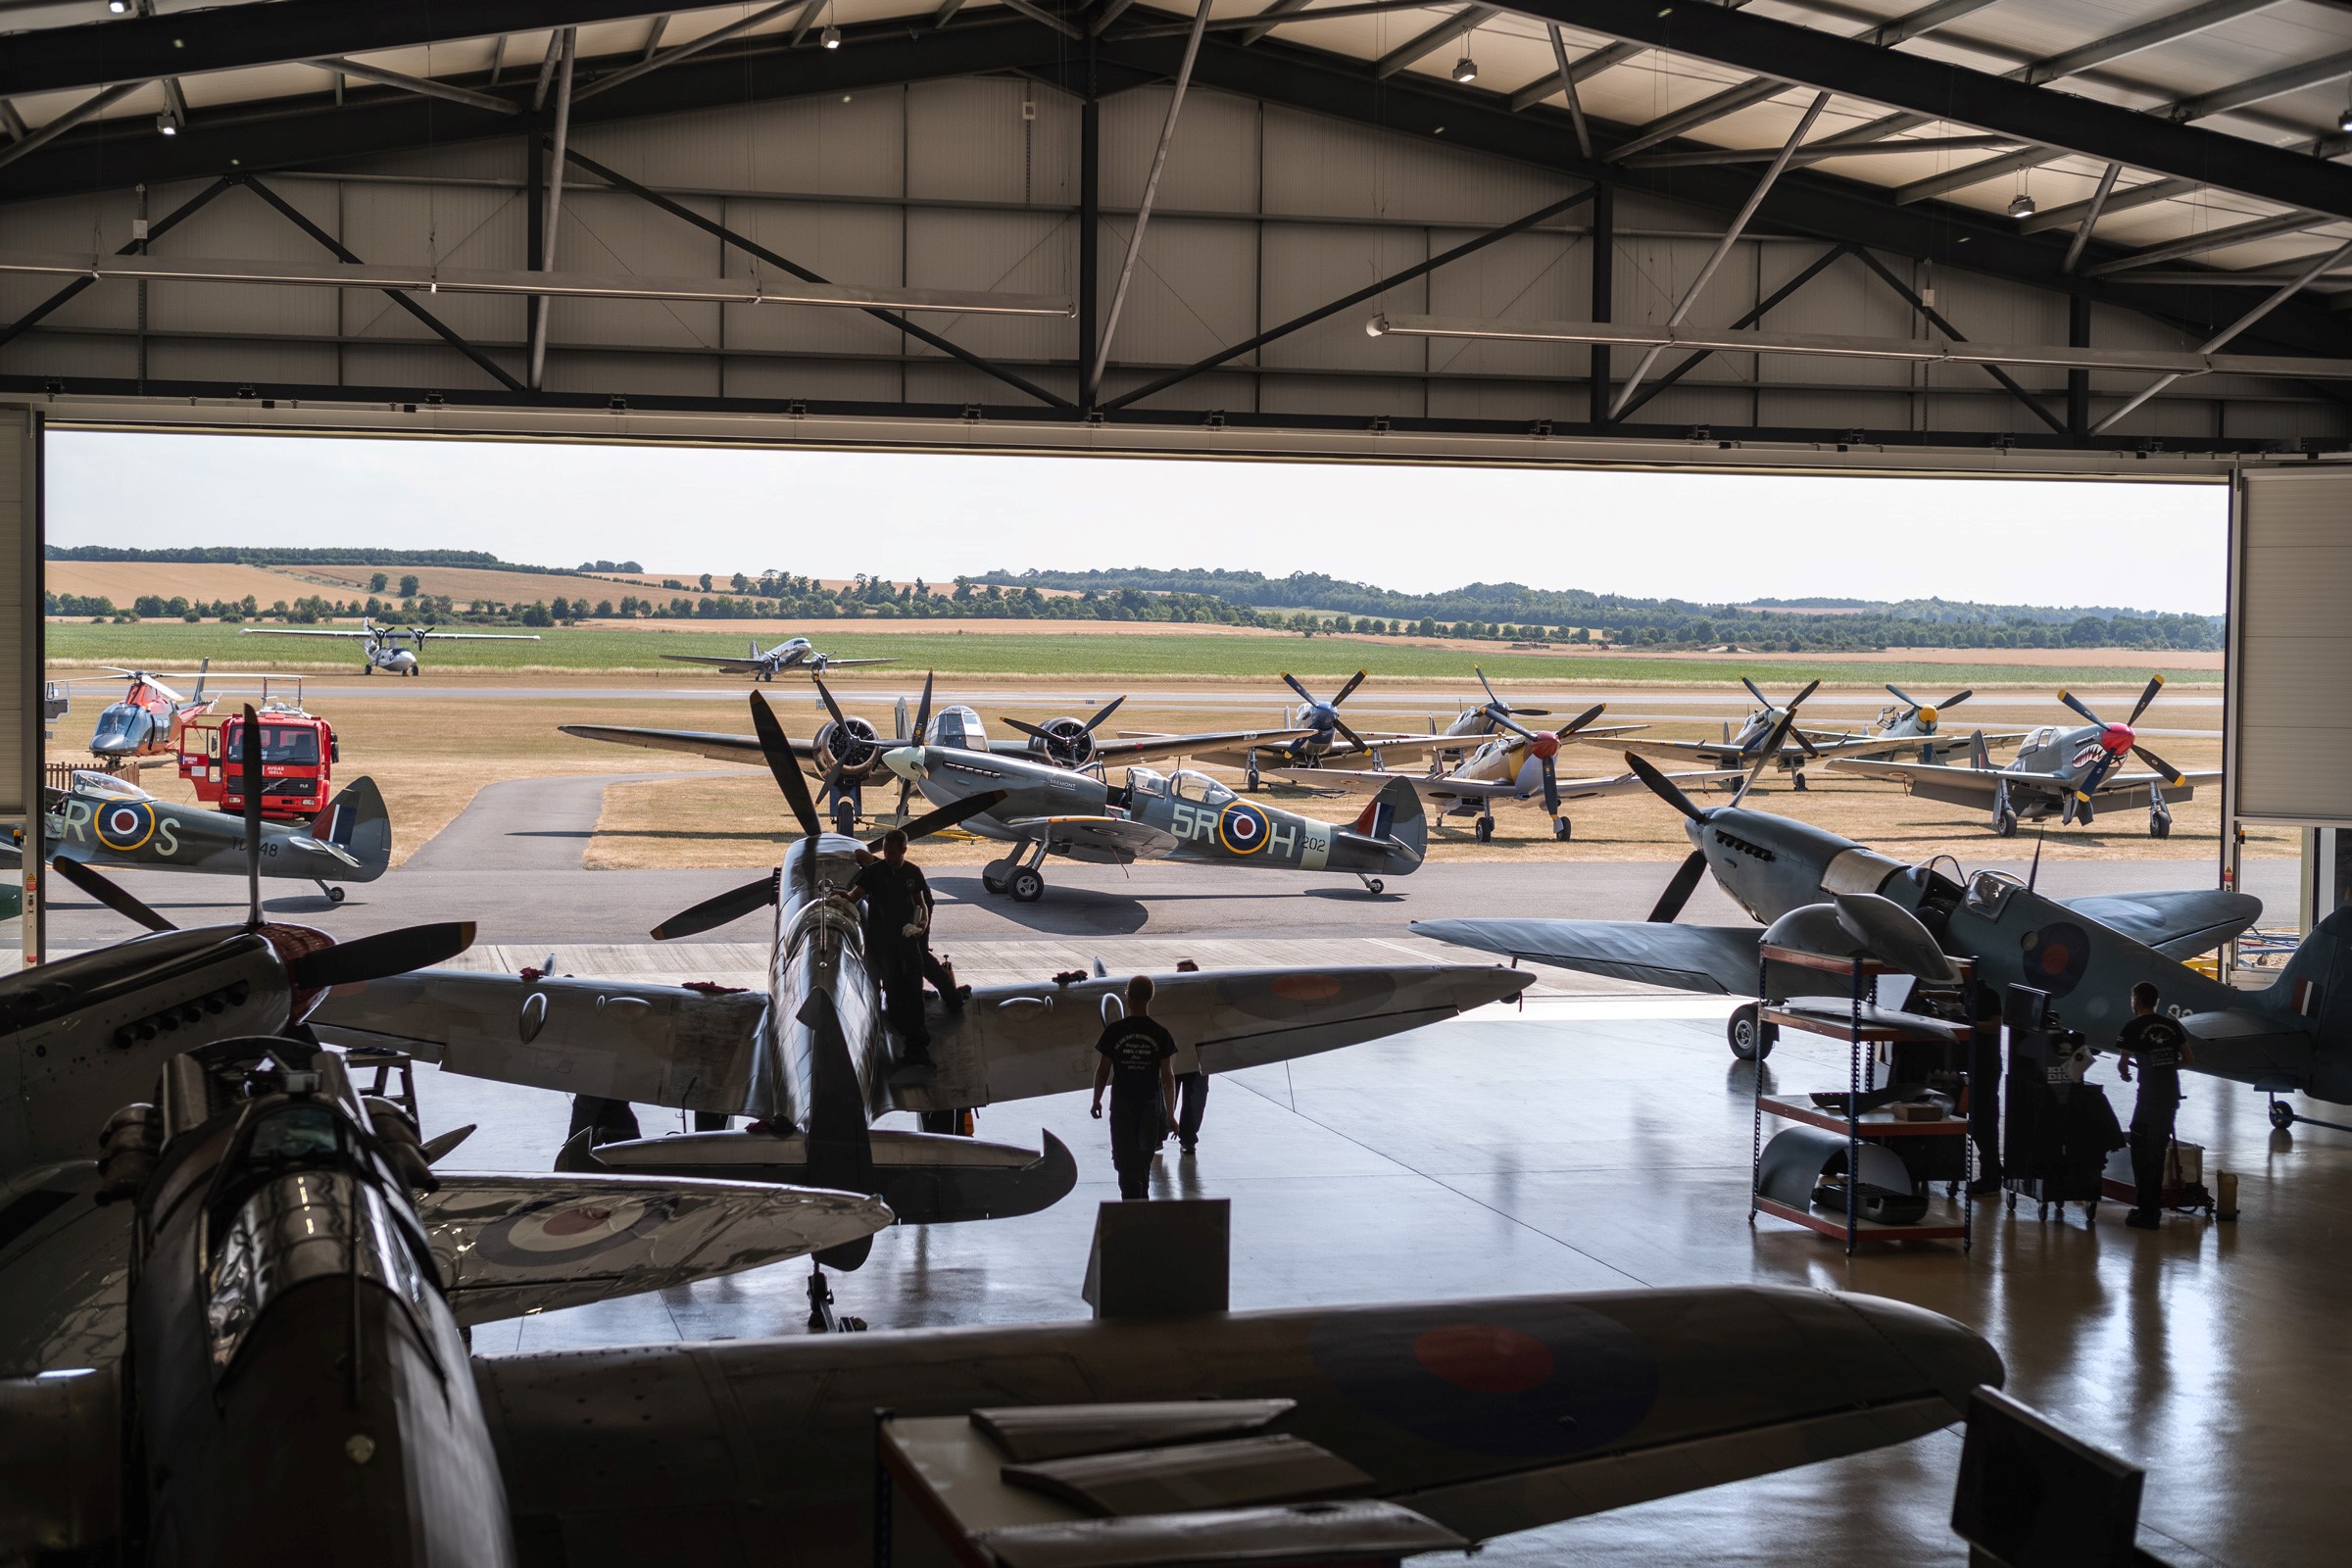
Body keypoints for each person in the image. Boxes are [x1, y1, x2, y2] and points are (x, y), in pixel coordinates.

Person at [844, 830, 934, 1067]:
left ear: (904, 850)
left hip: (907, 940)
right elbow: (855, 895)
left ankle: (917, 1045)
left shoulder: (913, 873)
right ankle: (900, 1035)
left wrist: (921, 925)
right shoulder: (874, 872)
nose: (888, 856)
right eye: (885, 852)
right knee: (893, 991)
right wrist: (838, 899)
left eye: (893, 852)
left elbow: (920, 903)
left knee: (914, 989)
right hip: (883, 944)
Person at [2114, 981, 2194, 1231]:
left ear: (2135, 1000)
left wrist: (2128, 1073)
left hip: (2148, 1098)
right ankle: (2152, 1208)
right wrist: (2168, 1066)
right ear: (2156, 1001)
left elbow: (2123, 1065)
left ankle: (2147, 1211)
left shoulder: (2132, 1027)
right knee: (2158, 1150)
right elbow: (2189, 1060)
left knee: (2140, 1147)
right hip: (2170, 1095)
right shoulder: (2171, 1025)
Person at [1091, 975, 1179, 1200]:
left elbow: (1103, 1070)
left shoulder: (1115, 1031)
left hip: (1122, 1107)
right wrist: (1170, 1113)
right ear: (1150, 998)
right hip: (1150, 1107)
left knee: (1124, 1160)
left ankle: (1131, 1202)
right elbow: (1168, 1077)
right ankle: (1141, 1201)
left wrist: (1096, 1099)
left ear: (1128, 997)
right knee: (1143, 1161)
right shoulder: (1161, 1034)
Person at [1966, 983, 2004, 1197]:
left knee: (1984, 1122)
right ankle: (1992, 1171)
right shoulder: (1969, 992)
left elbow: (1995, 1026)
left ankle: (1991, 1176)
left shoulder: (1989, 995)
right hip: (1975, 1064)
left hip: (1986, 1066)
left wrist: (1969, 1024)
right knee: (1979, 1123)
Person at [1168, 957, 1207, 1156]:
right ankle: (1159, 1135)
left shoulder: (1202, 998)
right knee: (1167, 1099)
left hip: (1196, 1059)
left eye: (1185, 972)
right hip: (1175, 1057)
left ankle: (1188, 1139)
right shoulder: (1170, 998)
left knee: (1194, 1102)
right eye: (1179, 972)